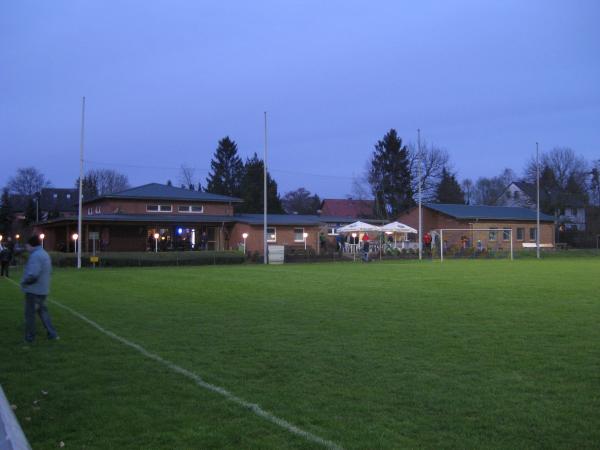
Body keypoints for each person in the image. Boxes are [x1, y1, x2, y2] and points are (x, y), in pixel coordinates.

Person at [21, 235, 58, 343]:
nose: (26, 248)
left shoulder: (35, 256)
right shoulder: (44, 254)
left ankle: (30, 337)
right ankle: (52, 334)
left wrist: (24, 282)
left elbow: (33, 274)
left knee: (30, 315)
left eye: (27, 246)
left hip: (34, 290)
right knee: (43, 312)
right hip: (43, 289)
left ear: (31, 245)